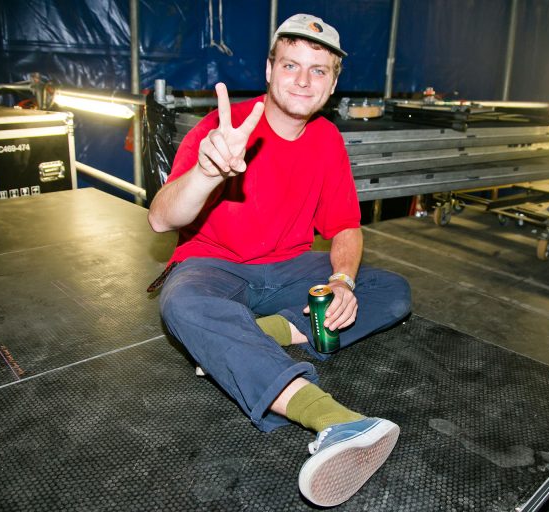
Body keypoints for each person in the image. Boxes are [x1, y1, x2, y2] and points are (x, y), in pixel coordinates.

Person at [147, 13, 411, 507]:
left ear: (332, 84)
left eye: (318, 70)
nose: (303, 80)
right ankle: (333, 419)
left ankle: (256, 335)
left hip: (289, 268)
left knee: (391, 290)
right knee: (182, 305)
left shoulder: (327, 139)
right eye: (291, 65)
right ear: (269, 70)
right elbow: (161, 219)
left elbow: (345, 226)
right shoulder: (223, 129)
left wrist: (342, 280)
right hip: (214, 265)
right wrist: (207, 172)